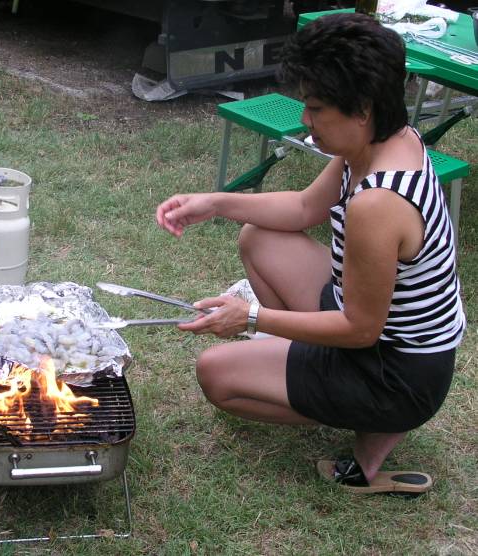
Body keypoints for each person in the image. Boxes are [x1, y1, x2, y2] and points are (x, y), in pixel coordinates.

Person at [155, 13, 465, 495]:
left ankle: (374, 426)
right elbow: (303, 207)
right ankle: (306, 367)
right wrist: (215, 204)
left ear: (361, 109)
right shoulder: (384, 139)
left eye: (317, 109)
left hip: (395, 371)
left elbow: (361, 330)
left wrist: (252, 318)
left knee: (216, 374)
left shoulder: (379, 204)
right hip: (382, 335)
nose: (306, 121)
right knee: (258, 237)